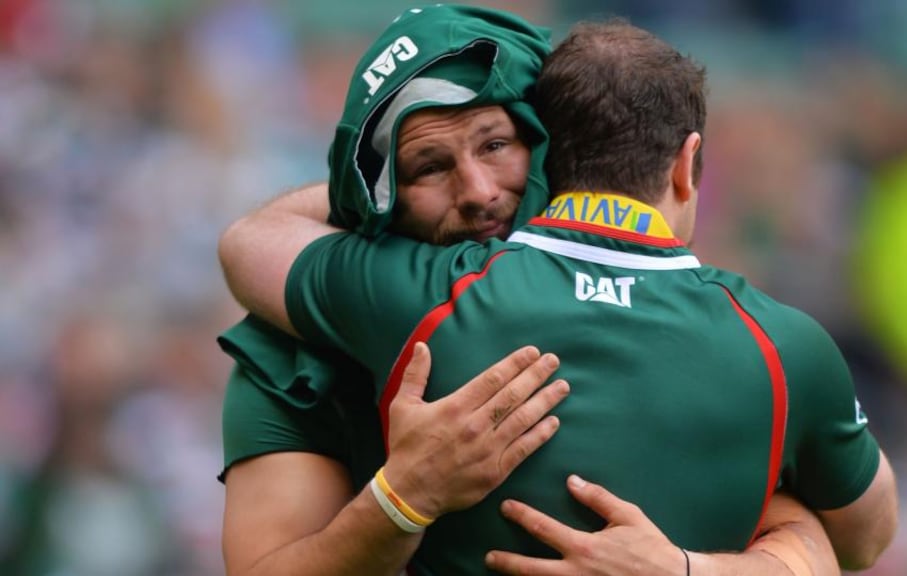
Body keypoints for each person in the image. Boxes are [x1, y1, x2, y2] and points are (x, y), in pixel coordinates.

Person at [218, 6, 847, 576]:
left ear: (550, 143)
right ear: (381, 192)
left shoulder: (684, 316)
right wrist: (401, 499)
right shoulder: (294, 343)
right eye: (428, 167)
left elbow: (812, 535)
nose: (480, 190)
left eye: (496, 145)